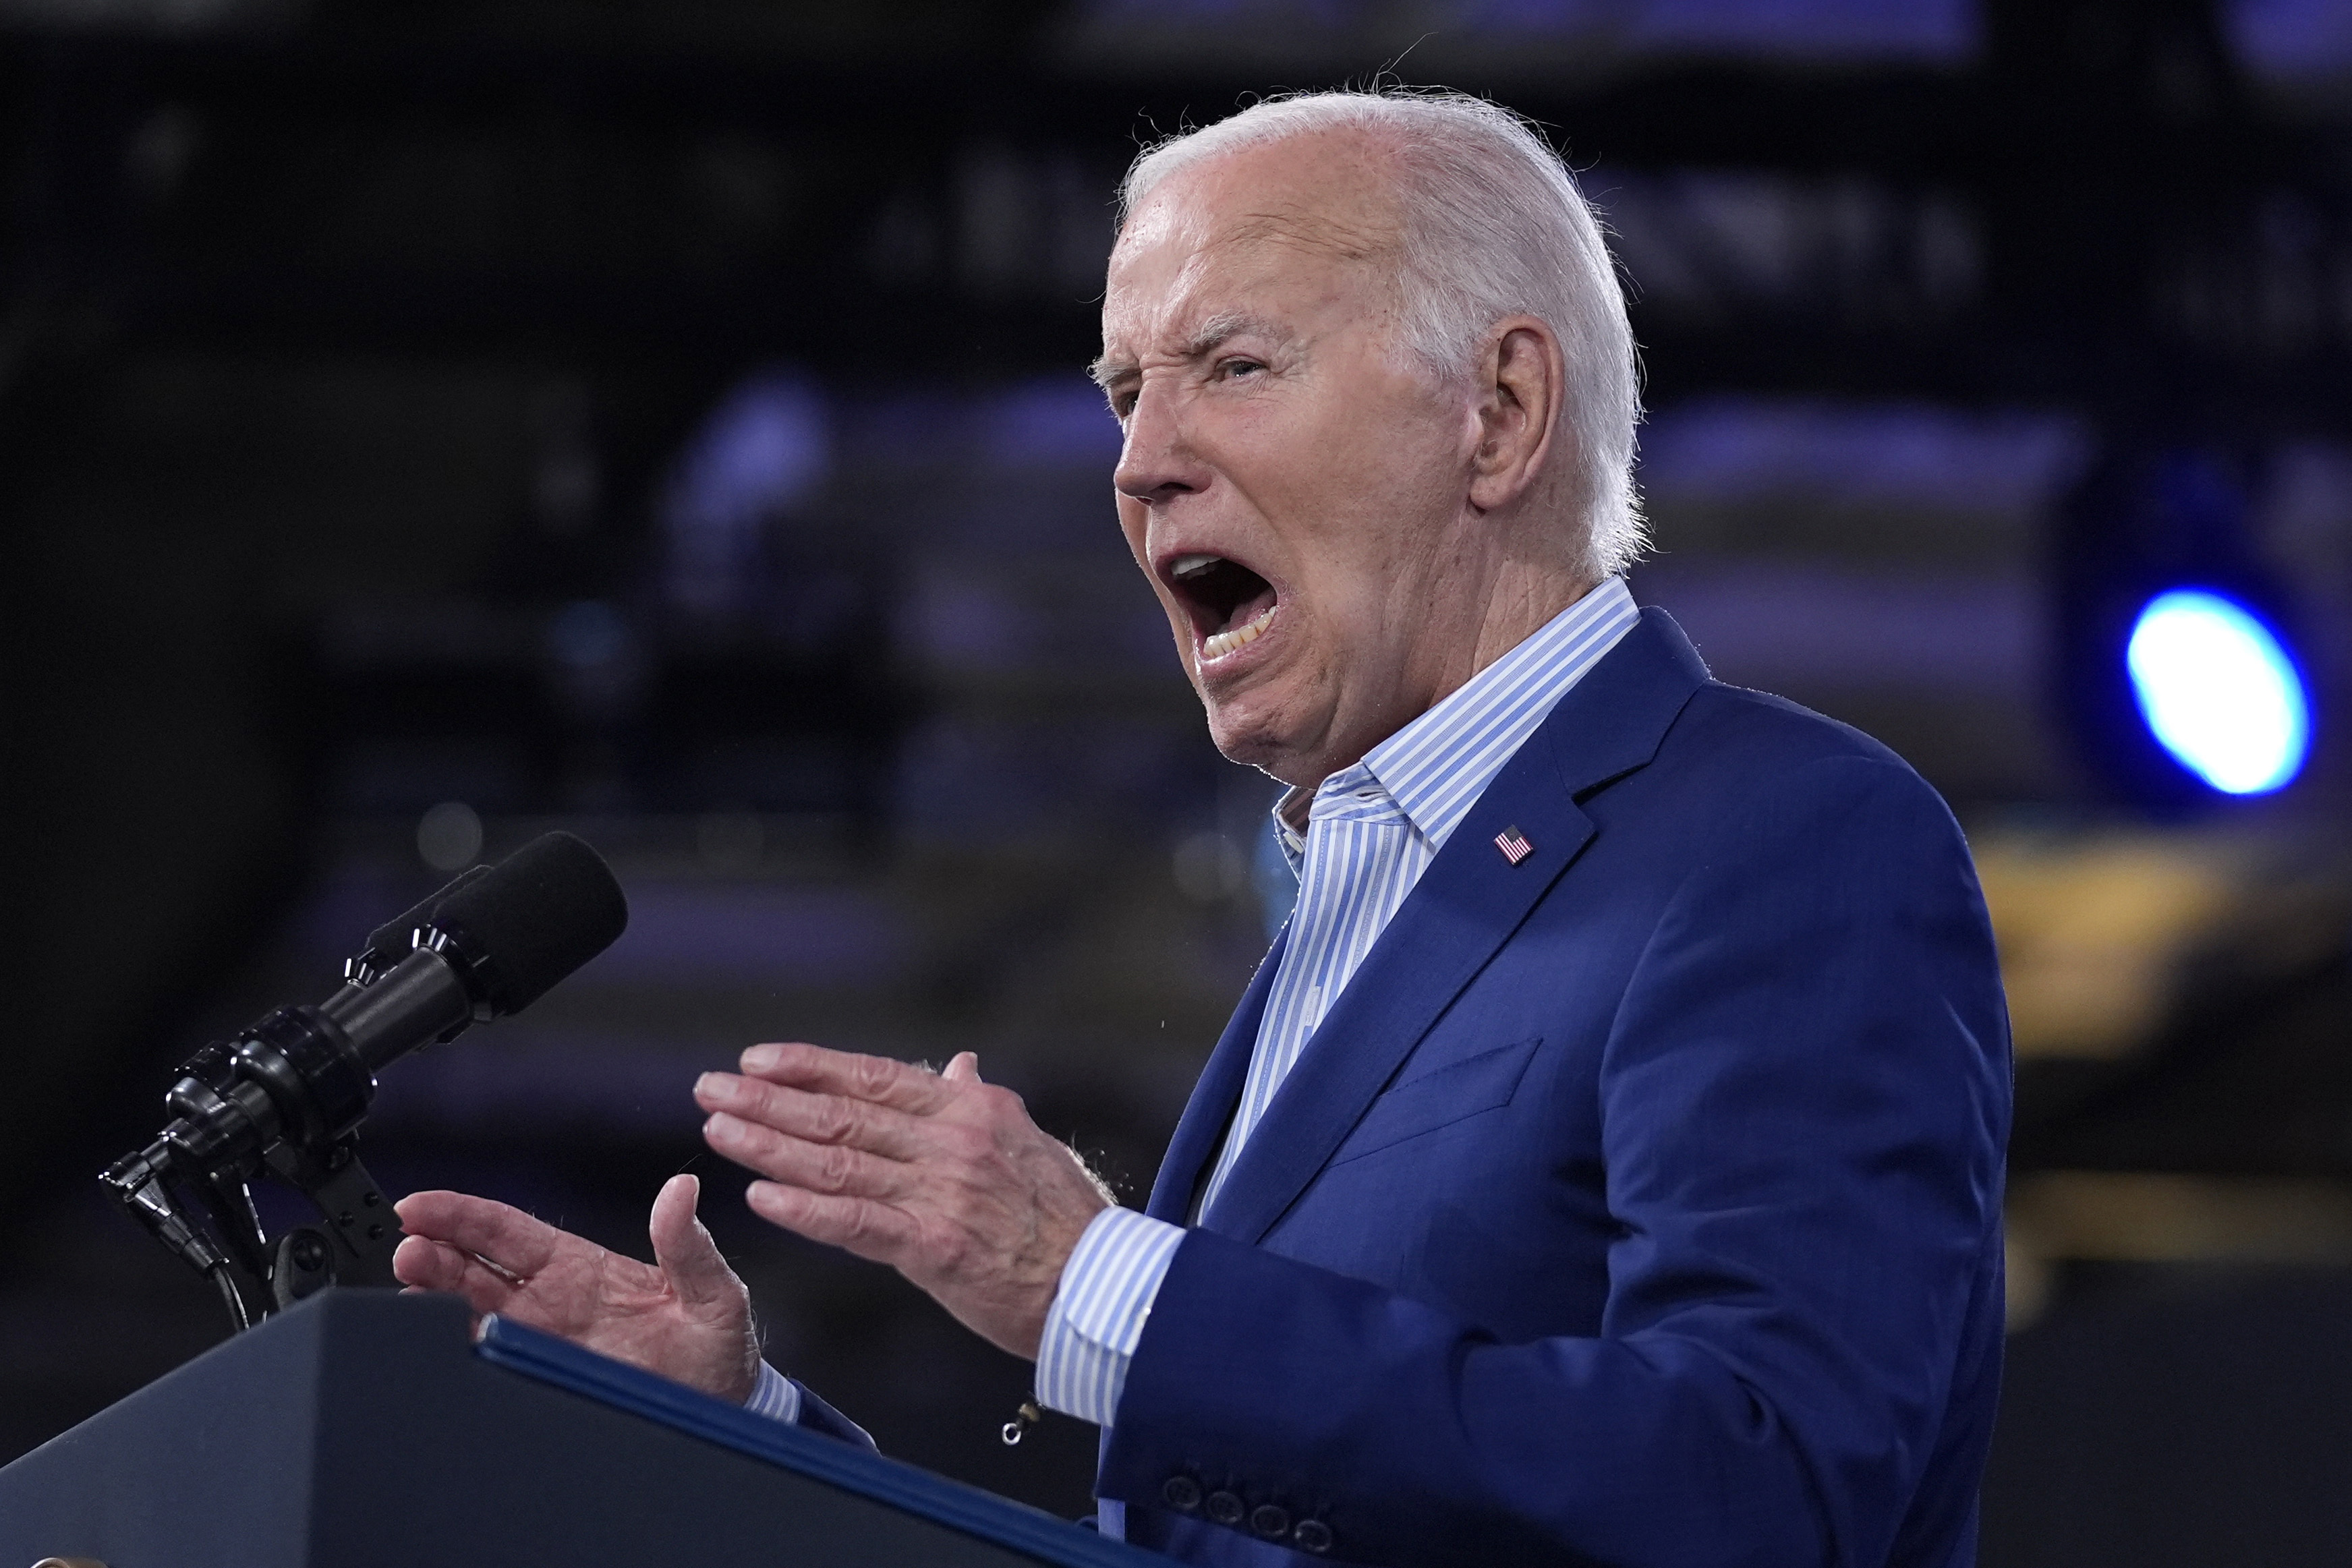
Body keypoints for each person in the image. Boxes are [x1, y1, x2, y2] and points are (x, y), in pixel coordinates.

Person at [394, 89, 2011, 1568]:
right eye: (1121, 394)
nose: (1141, 463)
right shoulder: (1349, 918)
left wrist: (1090, 1284)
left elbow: (1767, 1489)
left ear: (1501, 410)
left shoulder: (1782, 841)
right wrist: (740, 1441)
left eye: (1231, 366)